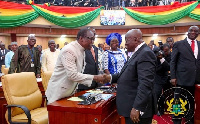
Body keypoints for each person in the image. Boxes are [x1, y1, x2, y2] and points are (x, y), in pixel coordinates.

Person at [104, 29, 157, 124]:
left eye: (127, 40)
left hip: (138, 110)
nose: (125, 44)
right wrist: (110, 78)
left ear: (136, 40)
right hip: (131, 105)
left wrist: (137, 107)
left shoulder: (145, 53)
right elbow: (128, 74)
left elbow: (145, 83)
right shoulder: (138, 52)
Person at [45, 28, 107, 104]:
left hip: (70, 92)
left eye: (93, 39)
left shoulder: (82, 49)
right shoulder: (69, 50)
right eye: (91, 39)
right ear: (81, 38)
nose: (92, 42)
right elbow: (72, 75)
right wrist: (95, 77)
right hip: (58, 93)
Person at [170, 26, 200, 124]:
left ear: (198, 33)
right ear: (187, 32)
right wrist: (173, 77)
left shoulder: (199, 44)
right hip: (181, 78)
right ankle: (176, 120)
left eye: (196, 31)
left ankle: (189, 119)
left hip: (196, 79)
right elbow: (173, 61)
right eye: (191, 30)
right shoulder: (179, 44)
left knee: (192, 101)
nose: (193, 32)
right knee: (177, 101)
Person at [78, 27, 101, 91]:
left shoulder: (95, 48)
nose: (93, 36)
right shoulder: (82, 48)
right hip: (83, 83)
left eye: (94, 34)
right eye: (91, 34)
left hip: (94, 83)